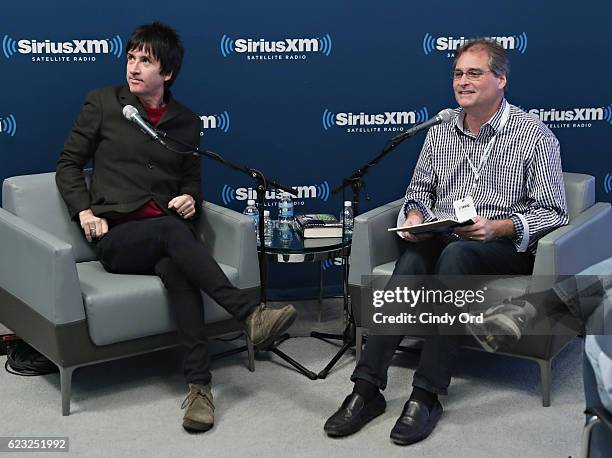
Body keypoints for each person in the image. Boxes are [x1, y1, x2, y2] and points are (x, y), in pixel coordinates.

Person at [323, 38, 568, 445]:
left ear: (501, 79)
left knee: (455, 255)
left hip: (503, 246)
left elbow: (554, 211)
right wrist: (416, 216)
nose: (463, 82)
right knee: (417, 253)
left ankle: (427, 394)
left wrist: (499, 227)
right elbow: (418, 189)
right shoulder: (440, 130)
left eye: (474, 73)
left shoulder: (533, 135)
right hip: (448, 232)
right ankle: (366, 389)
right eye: (458, 74)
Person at [55, 22, 296, 433]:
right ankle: (248, 313)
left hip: (168, 239)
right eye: (131, 58)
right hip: (117, 238)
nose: (133, 67)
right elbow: (68, 165)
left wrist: (190, 198)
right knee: (171, 233)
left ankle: (199, 388)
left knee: (178, 269)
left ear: (166, 73)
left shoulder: (186, 122)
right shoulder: (103, 104)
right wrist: (84, 212)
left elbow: (191, 185)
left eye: (145, 61)